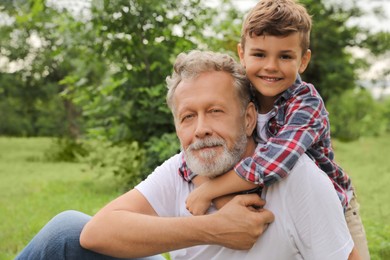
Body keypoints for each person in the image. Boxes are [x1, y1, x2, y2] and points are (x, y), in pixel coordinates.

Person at [16, 50, 359, 260]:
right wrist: (210, 228)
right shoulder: (181, 168)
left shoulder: (296, 176)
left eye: (215, 111)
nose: (201, 130)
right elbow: (96, 233)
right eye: (188, 117)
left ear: (249, 117)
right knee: (65, 231)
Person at [183, 1, 369, 259]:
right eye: (259, 55)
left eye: (285, 56)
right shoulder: (238, 98)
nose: (271, 66)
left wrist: (210, 190)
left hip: (332, 211)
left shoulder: (306, 104)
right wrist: (201, 182)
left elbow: (274, 162)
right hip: (276, 207)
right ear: (242, 53)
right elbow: (202, 144)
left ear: (303, 60)